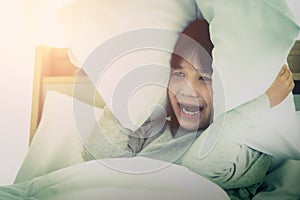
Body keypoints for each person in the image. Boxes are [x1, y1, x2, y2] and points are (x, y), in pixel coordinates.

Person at [82, 19, 294, 199]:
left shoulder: (247, 145)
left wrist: (264, 101)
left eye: (204, 78)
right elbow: (96, 159)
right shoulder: (155, 129)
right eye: (179, 74)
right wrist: (144, 97)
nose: (187, 90)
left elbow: (200, 164)